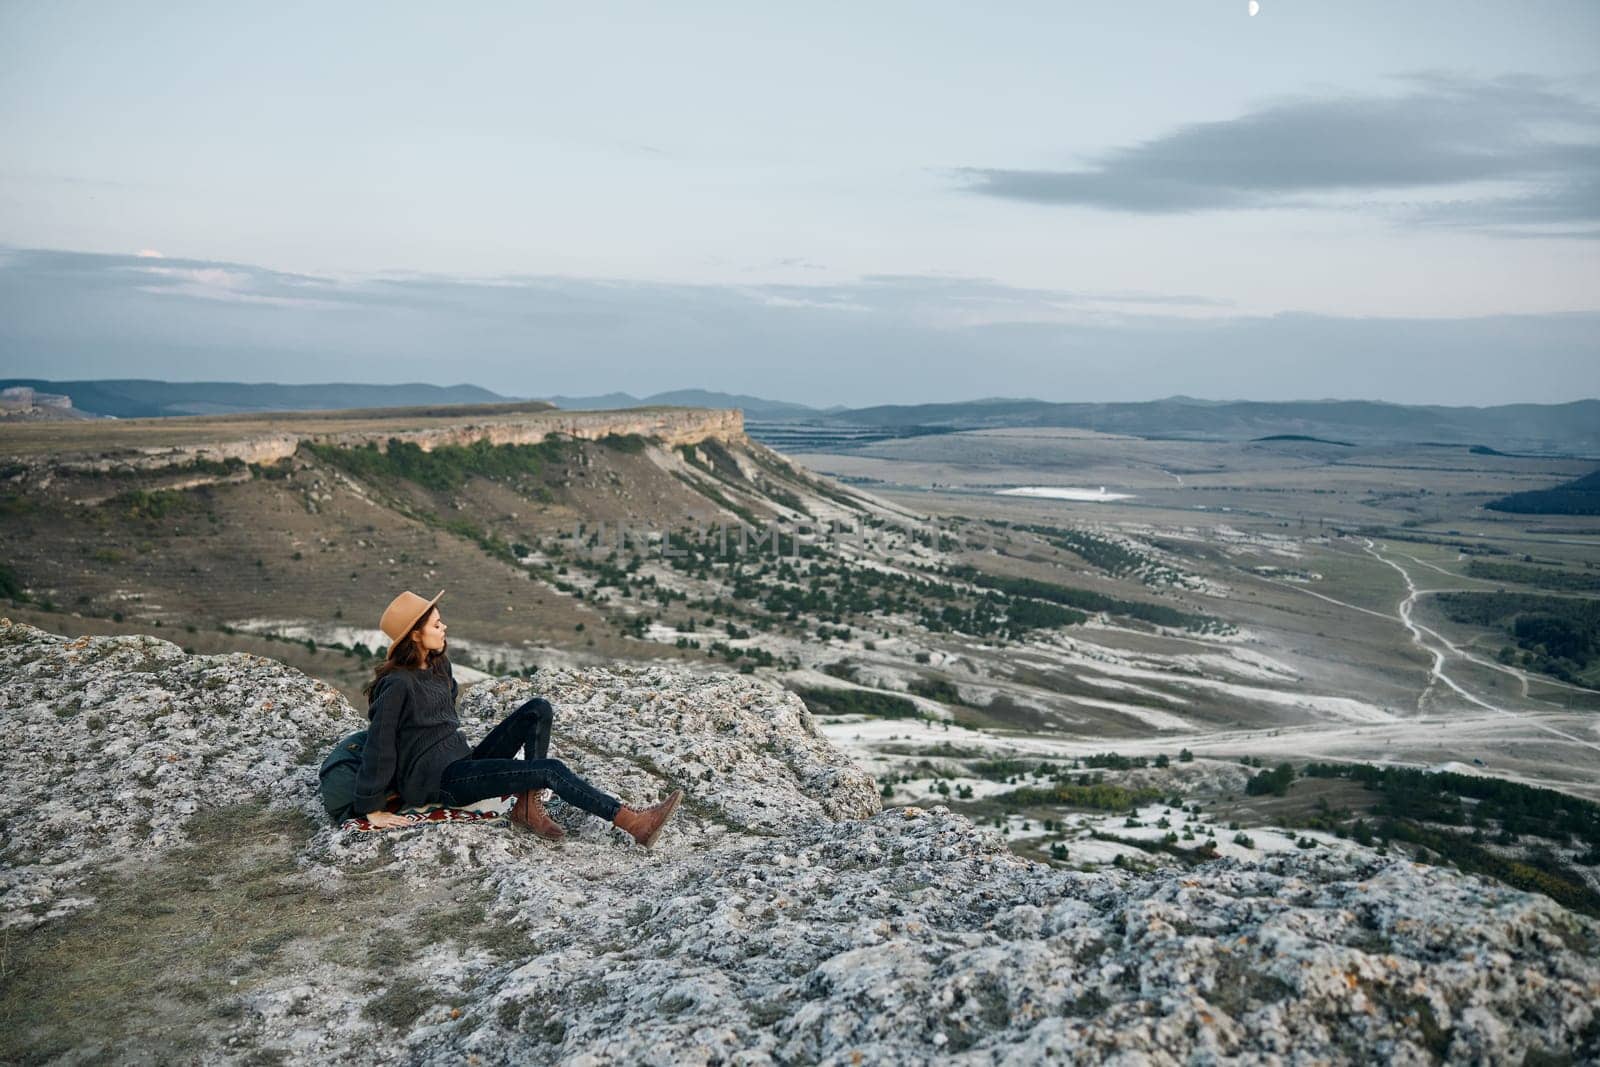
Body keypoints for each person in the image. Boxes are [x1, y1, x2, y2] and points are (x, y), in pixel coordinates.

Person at [353, 588, 683, 847]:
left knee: (538, 709)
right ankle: (634, 824)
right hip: (438, 782)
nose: (444, 628)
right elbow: (380, 744)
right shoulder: (396, 684)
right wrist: (372, 807)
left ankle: (526, 806)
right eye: (436, 624)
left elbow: (443, 715)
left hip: (462, 760)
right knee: (549, 771)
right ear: (414, 635)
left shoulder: (439, 665)